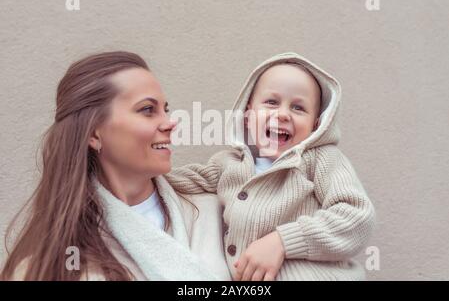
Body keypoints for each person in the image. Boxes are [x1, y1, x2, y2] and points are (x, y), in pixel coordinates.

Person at [0, 51, 230, 281]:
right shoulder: (51, 265)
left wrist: (269, 245)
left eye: (165, 109)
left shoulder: (219, 212)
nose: (170, 123)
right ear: (93, 133)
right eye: (147, 110)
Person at [166, 52, 376, 281]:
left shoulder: (320, 159)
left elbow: (357, 217)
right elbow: (175, 179)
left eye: (298, 108)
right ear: (247, 116)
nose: (283, 114)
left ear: (316, 126)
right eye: (271, 102)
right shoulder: (228, 164)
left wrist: (283, 241)